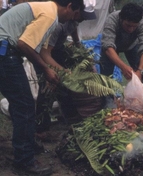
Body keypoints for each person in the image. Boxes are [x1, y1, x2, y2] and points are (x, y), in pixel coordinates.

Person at [0, 0, 84, 174]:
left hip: (6, 51)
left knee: (21, 104)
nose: (72, 20)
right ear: (68, 6)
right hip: (4, 52)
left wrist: (60, 72)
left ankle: (26, 144)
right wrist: (46, 70)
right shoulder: (49, 15)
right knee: (25, 105)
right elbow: (24, 44)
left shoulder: (47, 12)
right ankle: (24, 161)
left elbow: (44, 53)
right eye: (74, 14)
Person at [36, 0, 98, 134]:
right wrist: (61, 70)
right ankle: (41, 128)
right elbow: (45, 53)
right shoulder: (58, 25)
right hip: (44, 53)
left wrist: (77, 44)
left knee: (64, 86)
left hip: (57, 50)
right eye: (81, 16)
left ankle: (71, 118)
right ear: (76, 12)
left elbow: (74, 28)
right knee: (47, 87)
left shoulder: (75, 19)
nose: (81, 20)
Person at [99, 2, 143, 85]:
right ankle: (106, 96)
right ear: (121, 18)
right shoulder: (112, 19)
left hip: (132, 45)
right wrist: (123, 67)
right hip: (112, 47)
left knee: (141, 73)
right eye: (128, 25)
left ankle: (142, 94)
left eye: (134, 26)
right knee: (106, 75)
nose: (131, 29)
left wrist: (140, 71)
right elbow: (107, 45)